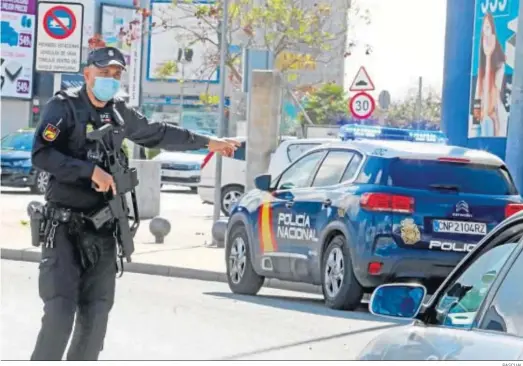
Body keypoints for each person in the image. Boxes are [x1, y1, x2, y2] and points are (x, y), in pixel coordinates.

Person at [30, 46, 239, 361]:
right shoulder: (64, 108)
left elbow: (158, 133)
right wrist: (89, 172)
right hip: (63, 228)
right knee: (60, 313)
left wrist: (209, 142)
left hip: (103, 230)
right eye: (103, 73)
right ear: (87, 74)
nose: (110, 79)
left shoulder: (119, 112)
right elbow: (41, 154)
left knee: (95, 320)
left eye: (116, 74)